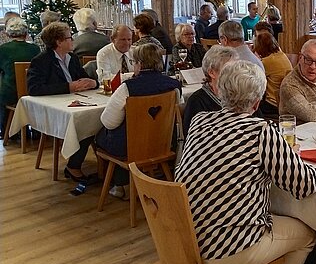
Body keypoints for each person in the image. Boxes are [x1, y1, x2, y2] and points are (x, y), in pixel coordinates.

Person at [176, 60, 316, 264]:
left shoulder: (199, 121)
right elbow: (305, 186)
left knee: (235, 205)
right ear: (257, 103)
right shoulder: (261, 132)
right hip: (225, 251)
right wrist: (300, 162)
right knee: (309, 235)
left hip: (184, 245)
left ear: (220, 91)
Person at [95, 43, 182, 199]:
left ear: (139, 64)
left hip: (130, 148)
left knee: (102, 134)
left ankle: (120, 184)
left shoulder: (127, 88)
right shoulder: (174, 85)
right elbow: (178, 115)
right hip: (163, 142)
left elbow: (108, 122)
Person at [27, 21, 98, 181]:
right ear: (59, 42)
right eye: (69, 37)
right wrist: (67, 87)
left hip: (76, 103)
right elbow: (34, 88)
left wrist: (93, 82)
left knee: (99, 119)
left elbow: (83, 78)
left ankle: (104, 164)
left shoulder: (72, 58)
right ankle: (73, 166)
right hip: (55, 110)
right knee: (87, 122)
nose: (73, 40)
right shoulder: (41, 61)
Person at [182, 45, 237, 136]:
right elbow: (193, 137)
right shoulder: (197, 101)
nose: (235, 73)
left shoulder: (240, 96)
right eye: (228, 69)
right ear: (212, 73)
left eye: (236, 69)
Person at [0, 18, 40, 138]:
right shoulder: (35, 49)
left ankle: (8, 132)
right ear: (26, 33)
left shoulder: (3, 49)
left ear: (8, 34)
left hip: (11, 93)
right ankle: (36, 131)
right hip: (33, 91)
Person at [253, 32, 292, 116]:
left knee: (250, 105)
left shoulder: (268, 61)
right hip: (285, 101)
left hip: (273, 103)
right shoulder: (281, 55)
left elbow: (254, 76)